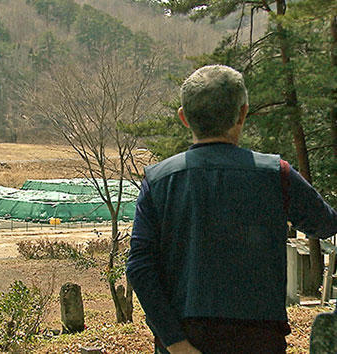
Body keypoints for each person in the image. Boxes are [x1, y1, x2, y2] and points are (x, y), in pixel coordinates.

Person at [126, 65, 337, 354]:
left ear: (184, 118)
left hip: (185, 337)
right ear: (242, 113)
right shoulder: (277, 174)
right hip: (258, 338)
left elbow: (140, 268)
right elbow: (325, 224)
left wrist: (175, 342)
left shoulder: (158, 181)